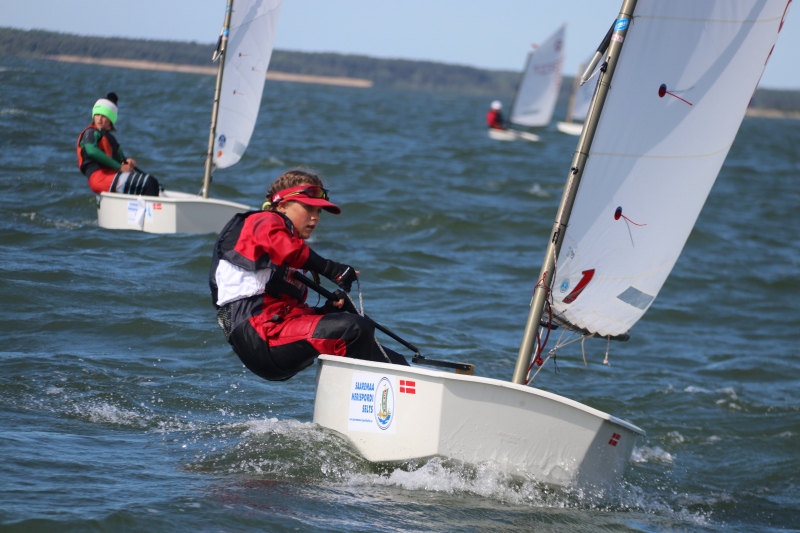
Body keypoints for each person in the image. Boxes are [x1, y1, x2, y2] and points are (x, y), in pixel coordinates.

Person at [209, 168, 409, 382]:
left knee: (370, 337)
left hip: (275, 336)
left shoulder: (287, 254)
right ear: (282, 205)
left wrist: (327, 311)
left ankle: (403, 376)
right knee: (353, 329)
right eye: (308, 207)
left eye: (319, 211)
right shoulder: (262, 221)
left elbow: (290, 313)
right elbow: (285, 249)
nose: (315, 217)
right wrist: (331, 269)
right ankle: (371, 394)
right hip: (259, 337)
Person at [76, 92, 161, 196]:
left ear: (111, 119)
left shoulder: (108, 137)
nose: (99, 119)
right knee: (149, 183)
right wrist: (120, 167)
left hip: (109, 175)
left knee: (150, 182)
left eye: (104, 116)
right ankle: (151, 206)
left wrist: (125, 162)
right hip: (100, 178)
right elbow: (91, 151)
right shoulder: (90, 133)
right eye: (97, 115)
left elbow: (115, 160)